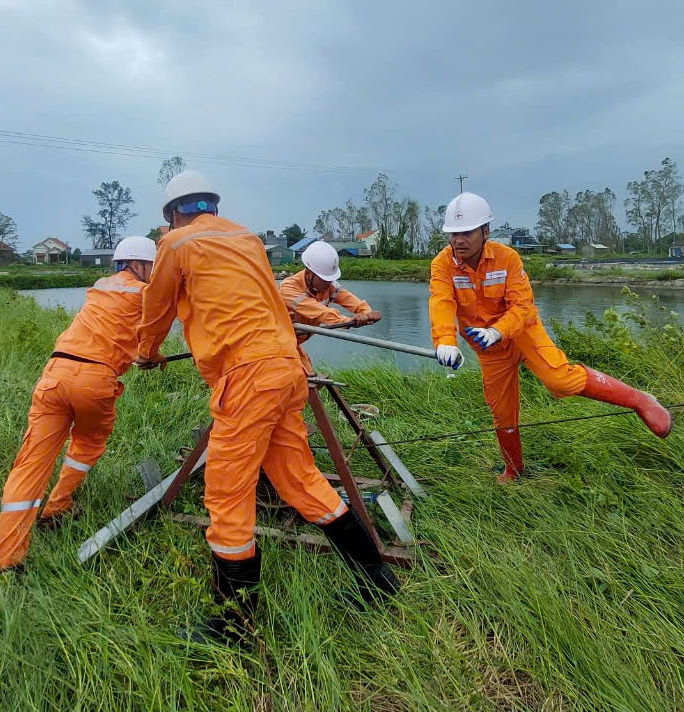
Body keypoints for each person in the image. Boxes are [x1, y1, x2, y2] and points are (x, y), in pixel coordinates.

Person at [136, 171, 398, 641]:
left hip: (246, 375)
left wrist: (147, 353)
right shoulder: (249, 240)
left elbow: (157, 310)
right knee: (300, 478)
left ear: (172, 214)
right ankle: (376, 580)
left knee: (226, 493)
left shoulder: (175, 244)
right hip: (286, 366)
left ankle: (233, 625)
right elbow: (270, 301)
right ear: (213, 207)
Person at [430, 192, 672, 483]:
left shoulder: (508, 258)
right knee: (501, 411)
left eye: (466, 232)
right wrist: (445, 341)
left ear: (485, 231)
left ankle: (641, 400)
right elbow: (441, 302)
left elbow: (522, 307)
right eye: (453, 233)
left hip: (521, 332)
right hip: (488, 347)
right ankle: (513, 469)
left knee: (560, 380)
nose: (459, 240)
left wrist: (497, 330)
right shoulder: (442, 264)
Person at [0, 236, 157, 572]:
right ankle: (57, 506)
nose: (154, 272)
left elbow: (110, 330)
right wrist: (152, 356)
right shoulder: (146, 293)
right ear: (138, 264)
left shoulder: (100, 286)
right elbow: (147, 344)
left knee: (31, 462)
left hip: (54, 374)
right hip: (94, 380)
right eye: (152, 265)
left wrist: (138, 353)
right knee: (88, 442)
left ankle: (5, 558)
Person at [279, 240, 382, 374]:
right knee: (294, 382)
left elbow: (350, 300)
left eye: (330, 278)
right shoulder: (289, 288)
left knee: (310, 379)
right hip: (275, 344)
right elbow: (320, 312)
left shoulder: (329, 285)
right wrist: (349, 322)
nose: (328, 282)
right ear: (309, 273)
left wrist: (367, 313)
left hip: (293, 343)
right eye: (324, 278)